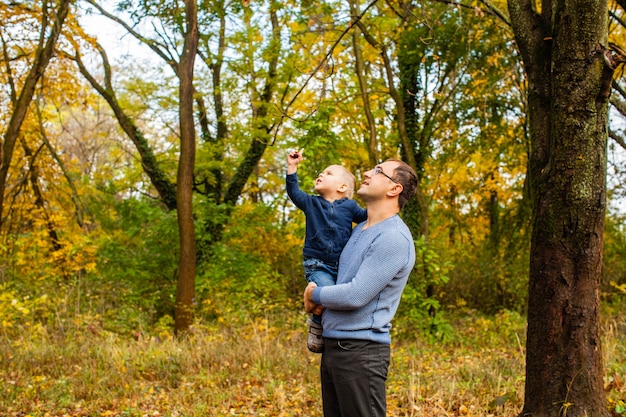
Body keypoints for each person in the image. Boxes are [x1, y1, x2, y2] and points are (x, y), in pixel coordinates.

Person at [303, 159, 418, 417]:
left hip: (361, 352)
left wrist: (313, 294)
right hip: (334, 346)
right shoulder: (359, 231)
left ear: (394, 189)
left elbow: (355, 295)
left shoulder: (393, 237)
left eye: (378, 171)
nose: (367, 172)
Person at [286, 149, 367, 353]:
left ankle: (321, 311)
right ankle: (316, 324)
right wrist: (292, 167)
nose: (321, 174)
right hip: (317, 264)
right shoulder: (312, 203)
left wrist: (383, 200)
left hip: (341, 265)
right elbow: (294, 192)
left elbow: (368, 217)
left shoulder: (349, 207)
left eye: (328, 173)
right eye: (321, 173)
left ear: (342, 187)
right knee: (329, 293)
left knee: (342, 298)